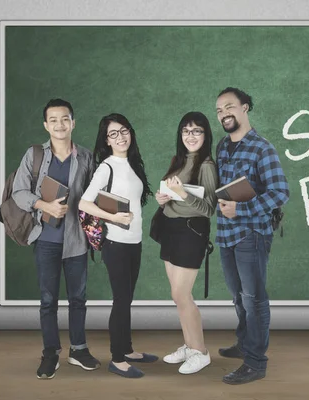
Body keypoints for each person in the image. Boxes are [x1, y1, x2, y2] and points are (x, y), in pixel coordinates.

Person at [12, 98, 101, 379]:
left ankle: (78, 349)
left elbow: (95, 196)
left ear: (73, 123)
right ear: (46, 125)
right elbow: (19, 192)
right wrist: (44, 206)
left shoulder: (86, 157)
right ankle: (51, 353)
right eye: (53, 120)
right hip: (46, 240)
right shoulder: (35, 154)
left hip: (76, 240)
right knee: (48, 300)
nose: (60, 125)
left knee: (78, 298)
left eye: (65, 119)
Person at [214, 87, 290, 384]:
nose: (224, 114)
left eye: (229, 107)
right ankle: (245, 343)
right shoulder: (222, 146)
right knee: (238, 296)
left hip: (251, 234)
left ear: (245, 108)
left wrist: (242, 211)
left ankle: (256, 362)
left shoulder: (262, 148)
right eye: (219, 110)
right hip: (225, 233)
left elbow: (281, 192)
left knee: (254, 298)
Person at [78, 113, 156, 378]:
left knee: (127, 299)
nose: (121, 137)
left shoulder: (132, 164)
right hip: (116, 243)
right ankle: (117, 358)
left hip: (134, 242)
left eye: (124, 131)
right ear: (106, 140)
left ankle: (128, 349)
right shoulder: (107, 167)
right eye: (113, 134)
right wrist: (112, 217)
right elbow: (84, 203)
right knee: (121, 301)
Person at [155, 111, 218, 374]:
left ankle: (201, 352)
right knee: (179, 296)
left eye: (197, 131)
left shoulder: (206, 165)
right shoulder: (178, 160)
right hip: (170, 229)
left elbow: (209, 208)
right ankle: (190, 345)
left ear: (206, 135)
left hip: (191, 233)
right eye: (186, 131)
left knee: (180, 294)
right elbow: (173, 196)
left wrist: (181, 194)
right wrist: (164, 198)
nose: (191, 136)